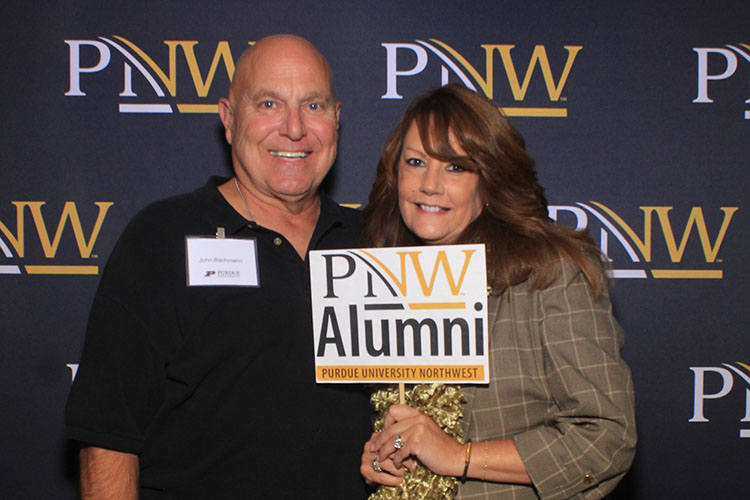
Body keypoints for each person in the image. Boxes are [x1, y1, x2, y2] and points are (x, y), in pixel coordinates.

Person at [65, 34, 371, 499]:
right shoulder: (161, 237)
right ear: (229, 120)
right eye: (269, 103)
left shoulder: (378, 243)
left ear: (337, 119)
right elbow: (109, 433)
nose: (294, 128)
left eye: (314, 106)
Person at [359, 84, 636, 499]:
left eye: (456, 167)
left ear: (488, 180)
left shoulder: (549, 273)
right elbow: (418, 429)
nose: (429, 184)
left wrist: (460, 457)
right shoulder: (388, 281)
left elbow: (606, 437)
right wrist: (386, 456)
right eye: (416, 162)